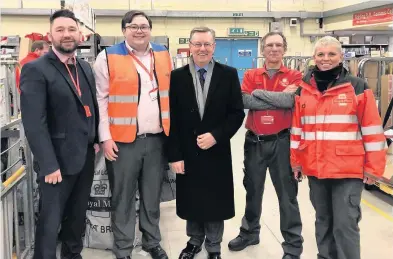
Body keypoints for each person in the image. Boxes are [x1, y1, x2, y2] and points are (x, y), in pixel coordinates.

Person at [290, 36, 387, 259]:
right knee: (322, 221)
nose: (326, 59)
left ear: (341, 57)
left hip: (347, 171)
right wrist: (296, 161)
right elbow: (297, 130)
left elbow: (372, 130)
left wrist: (373, 168)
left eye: (331, 54)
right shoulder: (303, 89)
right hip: (315, 169)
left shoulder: (357, 86)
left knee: (345, 224)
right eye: (321, 55)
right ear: (314, 58)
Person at [19, 9, 99, 259]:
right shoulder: (36, 69)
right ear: (50, 34)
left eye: (71, 29)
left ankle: (72, 254)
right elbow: (34, 123)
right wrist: (49, 164)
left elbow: (90, 106)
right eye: (60, 30)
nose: (67, 34)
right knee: (51, 221)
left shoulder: (84, 67)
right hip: (56, 162)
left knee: (77, 215)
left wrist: (94, 140)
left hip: (84, 156)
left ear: (79, 34)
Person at [93, 10, 172, 259]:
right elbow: (100, 100)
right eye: (133, 26)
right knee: (123, 198)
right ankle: (124, 248)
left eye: (144, 26)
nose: (139, 30)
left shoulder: (163, 53)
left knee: (152, 197)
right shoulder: (107, 56)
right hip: (123, 142)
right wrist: (105, 137)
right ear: (124, 29)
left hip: (158, 139)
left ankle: (152, 242)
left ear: (150, 29)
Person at [169, 26, 245, 259]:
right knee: (192, 197)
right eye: (197, 44)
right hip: (188, 150)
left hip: (216, 149)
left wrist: (217, 135)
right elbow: (171, 117)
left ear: (214, 47)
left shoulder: (228, 74)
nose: (202, 49)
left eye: (207, 44)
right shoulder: (177, 76)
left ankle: (213, 245)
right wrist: (175, 155)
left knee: (214, 199)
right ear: (189, 47)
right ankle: (194, 242)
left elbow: (236, 113)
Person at [228, 32, 303, 259]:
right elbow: (244, 100)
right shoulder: (251, 73)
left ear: (284, 49)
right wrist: (277, 97)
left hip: (282, 142)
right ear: (262, 50)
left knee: (287, 196)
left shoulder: (295, 75)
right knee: (253, 191)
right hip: (255, 142)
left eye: (278, 45)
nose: (273, 49)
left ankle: (292, 245)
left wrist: (259, 94)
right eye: (269, 45)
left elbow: (291, 101)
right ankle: (250, 232)